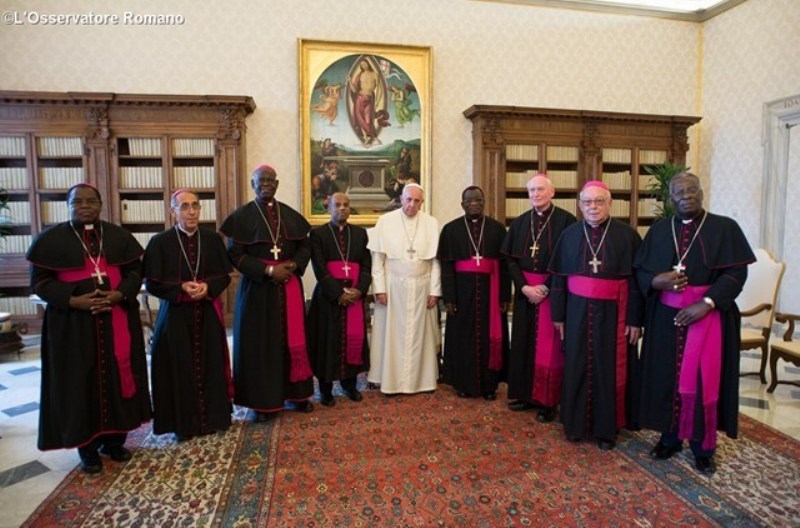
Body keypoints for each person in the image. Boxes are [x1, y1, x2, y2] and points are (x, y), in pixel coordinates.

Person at [634, 172, 755, 475]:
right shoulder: (660, 230)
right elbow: (641, 273)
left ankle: (703, 447)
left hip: (708, 318)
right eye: (679, 192)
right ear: (670, 198)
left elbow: (736, 273)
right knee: (667, 377)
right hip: (665, 319)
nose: (686, 196)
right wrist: (656, 280)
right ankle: (670, 438)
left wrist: (708, 303)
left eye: (692, 190)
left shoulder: (724, 228)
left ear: (701, 193)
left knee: (704, 381)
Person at [26, 183, 151, 473]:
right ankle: (88, 449)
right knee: (81, 383)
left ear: (101, 204)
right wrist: (73, 301)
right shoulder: (51, 240)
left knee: (118, 379)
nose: (84, 206)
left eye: (90, 201)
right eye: (77, 201)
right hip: (73, 327)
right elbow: (40, 283)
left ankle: (115, 442)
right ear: (69, 206)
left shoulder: (118, 237)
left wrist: (119, 295)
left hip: (116, 318)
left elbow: (136, 273)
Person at [548, 180, 644, 450]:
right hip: (576, 313)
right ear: (579, 205)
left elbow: (637, 281)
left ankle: (606, 429)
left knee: (608, 369)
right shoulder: (569, 235)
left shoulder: (627, 235)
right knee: (576, 365)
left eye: (599, 201)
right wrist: (558, 317)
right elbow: (558, 278)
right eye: (587, 202)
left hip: (614, 315)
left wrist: (636, 319)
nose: (593, 207)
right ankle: (575, 425)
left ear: (610, 203)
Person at [220, 164, 314, 420]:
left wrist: (293, 265)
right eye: (261, 181)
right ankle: (261, 403)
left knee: (292, 342)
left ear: (277, 183)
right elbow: (235, 254)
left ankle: (297, 395)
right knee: (260, 346)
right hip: (257, 290)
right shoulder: (241, 217)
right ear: (253, 184)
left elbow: (305, 247)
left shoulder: (290, 215)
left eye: (271, 180)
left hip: (289, 288)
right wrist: (269, 271)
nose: (266, 184)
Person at [143, 189, 233, 441]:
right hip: (175, 316)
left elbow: (224, 276)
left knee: (210, 364)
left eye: (195, 206)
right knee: (177, 369)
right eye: (184, 207)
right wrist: (180, 287)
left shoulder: (212, 239)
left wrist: (208, 287)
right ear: (173, 212)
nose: (191, 211)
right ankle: (183, 424)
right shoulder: (160, 242)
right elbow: (152, 283)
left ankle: (213, 419)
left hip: (206, 313)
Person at [501, 174, 576, 421]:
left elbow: (568, 261)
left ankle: (548, 401)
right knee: (522, 341)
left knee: (550, 347)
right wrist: (523, 287)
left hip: (551, 292)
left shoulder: (567, 222)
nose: (536, 194)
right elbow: (510, 260)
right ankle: (524, 395)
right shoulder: (521, 222)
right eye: (532, 190)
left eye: (540, 189)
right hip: (525, 293)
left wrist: (545, 288)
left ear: (552, 192)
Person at [368, 183, 441, 395]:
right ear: (401, 199)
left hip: (422, 286)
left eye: (417, 201)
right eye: (408, 199)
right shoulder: (385, 221)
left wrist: (435, 290)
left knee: (421, 335)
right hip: (393, 287)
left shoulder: (431, 223)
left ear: (422, 202)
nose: (412, 204)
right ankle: (389, 380)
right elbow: (377, 260)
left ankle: (422, 381)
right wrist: (379, 288)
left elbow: (436, 261)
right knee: (390, 334)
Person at [437, 186, 510, 400]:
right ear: (462, 204)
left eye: (478, 200)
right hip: (462, 293)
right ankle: (464, 383)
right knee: (463, 338)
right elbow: (447, 268)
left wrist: (505, 296)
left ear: (484, 201)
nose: (474, 204)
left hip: (491, 292)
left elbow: (505, 267)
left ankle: (490, 385)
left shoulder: (497, 229)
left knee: (490, 338)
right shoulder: (451, 230)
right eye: (469, 201)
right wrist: (449, 298)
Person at [307, 192, 371, 406]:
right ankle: (325, 390)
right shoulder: (318, 234)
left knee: (352, 340)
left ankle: (349, 385)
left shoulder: (360, 234)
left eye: (346, 205)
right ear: (329, 208)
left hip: (354, 296)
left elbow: (366, 266)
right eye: (337, 205)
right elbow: (319, 267)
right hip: (327, 298)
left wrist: (360, 290)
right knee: (328, 342)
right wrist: (338, 294)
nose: (342, 208)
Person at [348, 58, 388, 146]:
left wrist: (377, 100)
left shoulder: (375, 74)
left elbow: (380, 89)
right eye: (361, 65)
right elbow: (354, 90)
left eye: (365, 64)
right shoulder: (360, 75)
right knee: (360, 118)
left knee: (368, 119)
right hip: (359, 97)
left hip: (369, 98)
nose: (363, 66)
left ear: (368, 64)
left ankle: (374, 137)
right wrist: (350, 81)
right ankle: (366, 137)